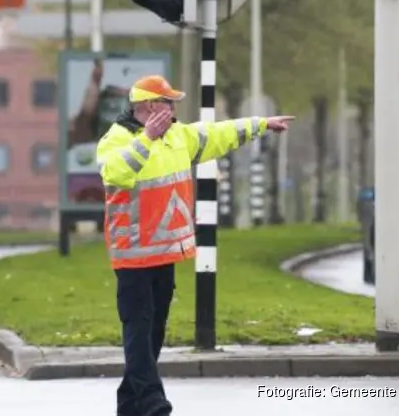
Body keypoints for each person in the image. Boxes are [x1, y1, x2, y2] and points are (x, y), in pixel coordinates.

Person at [96, 75, 294, 416]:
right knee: (138, 331)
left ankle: (130, 404)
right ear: (147, 107)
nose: (174, 108)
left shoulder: (179, 136)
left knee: (153, 334)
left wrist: (262, 124)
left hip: (165, 254)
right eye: (167, 102)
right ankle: (155, 403)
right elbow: (115, 173)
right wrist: (147, 140)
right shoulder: (115, 140)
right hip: (133, 258)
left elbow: (217, 134)